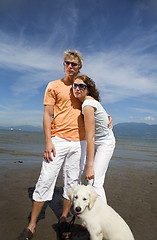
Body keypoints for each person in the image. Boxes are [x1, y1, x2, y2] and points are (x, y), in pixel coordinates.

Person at [17, 51, 112, 240]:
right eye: (67, 63)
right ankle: (32, 224)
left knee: (72, 184)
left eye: (74, 64)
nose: (70, 66)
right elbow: (47, 115)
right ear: (63, 64)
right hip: (58, 140)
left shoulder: (81, 87)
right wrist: (48, 141)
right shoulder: (53, 86)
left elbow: (95, 106)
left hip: (79, 143)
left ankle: (63, 219)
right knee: (45, 180)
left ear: (79, 68)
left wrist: (107, 116)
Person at [72, 74, 115, 203]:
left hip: (104, 142)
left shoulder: (87, 104)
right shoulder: (87, 102)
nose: (77, 88)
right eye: (75, 85)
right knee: (92, 181)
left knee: (95, 181)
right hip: (96, 141)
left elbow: (90, 136)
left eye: (81, 86)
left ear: (88, 89)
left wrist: (89, 166)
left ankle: (104, 217)